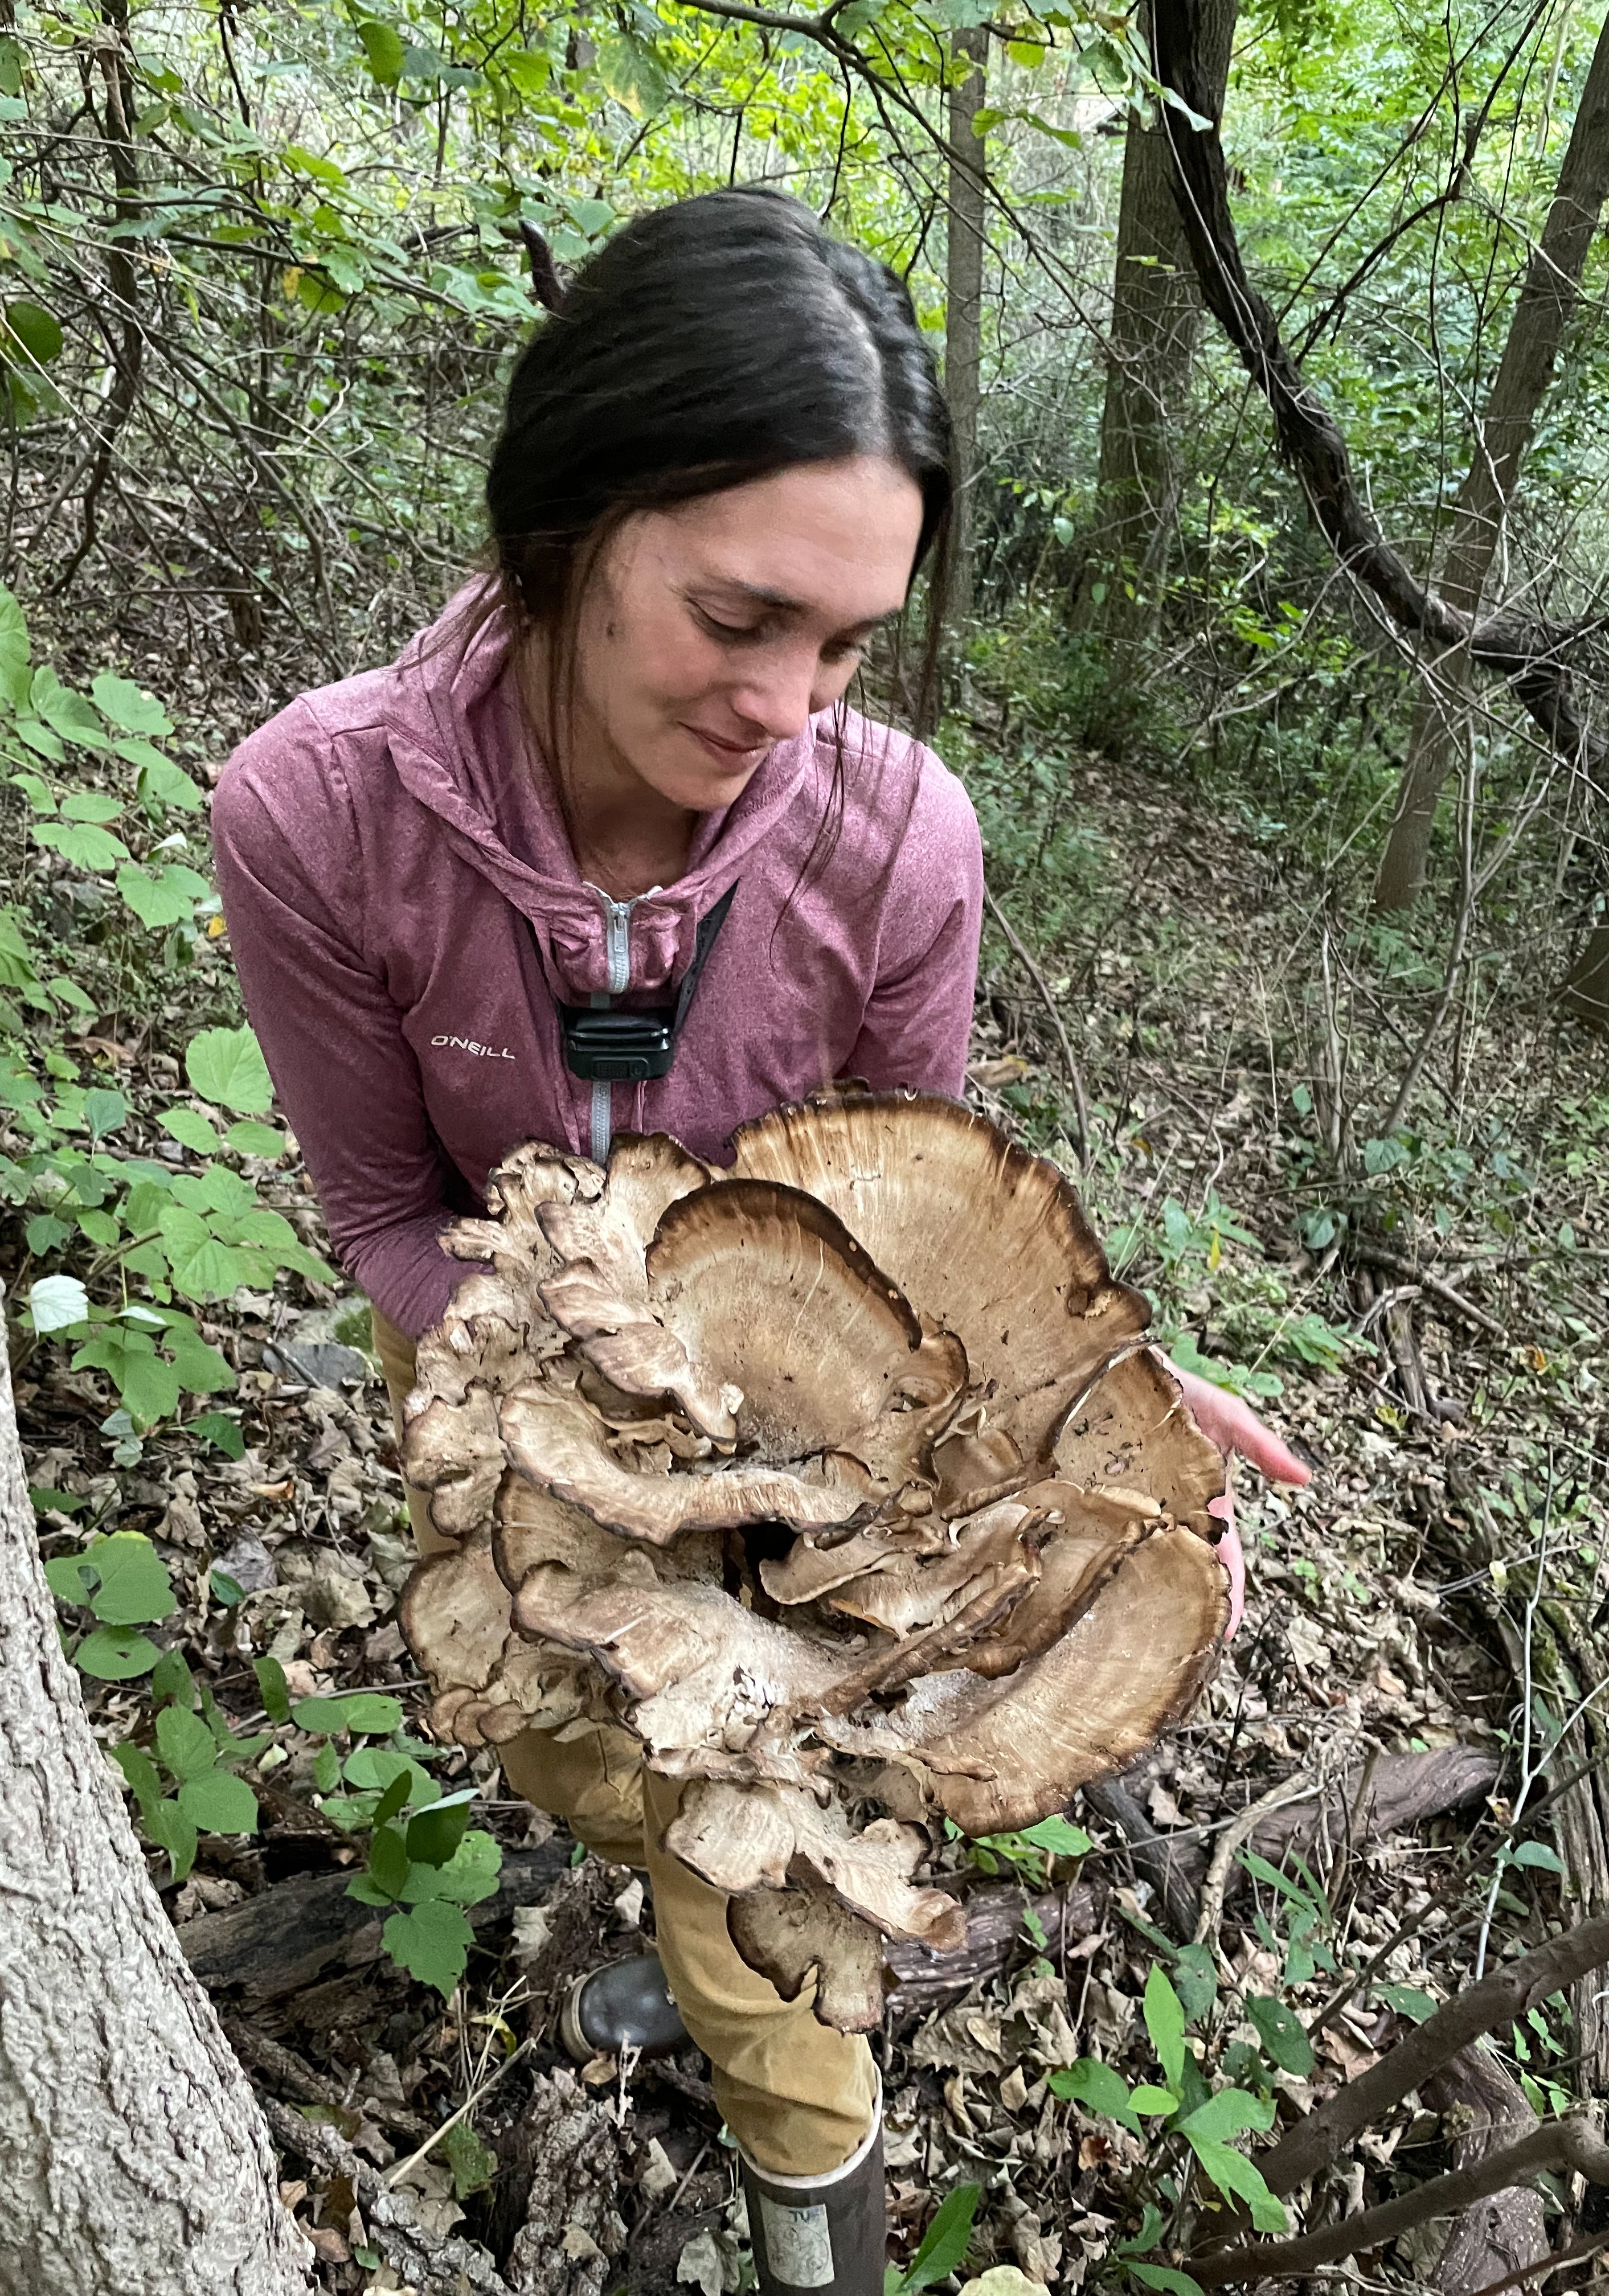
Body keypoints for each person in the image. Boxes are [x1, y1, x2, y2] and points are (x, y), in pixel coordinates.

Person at [212, 186, 1308, 2296]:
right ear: (565, 522)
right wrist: (591, 1418)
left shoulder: (898, 845)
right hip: (496, 1405)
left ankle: (816, 2205)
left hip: (823, 1477)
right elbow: (379, 1211)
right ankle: (635, 1877)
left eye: (848, 645)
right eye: (738, 621)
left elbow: (922, 1218)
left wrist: (1083, 1410)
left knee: (781, 1936)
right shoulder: (313, 817)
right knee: (575, 1745)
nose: (790, 705)